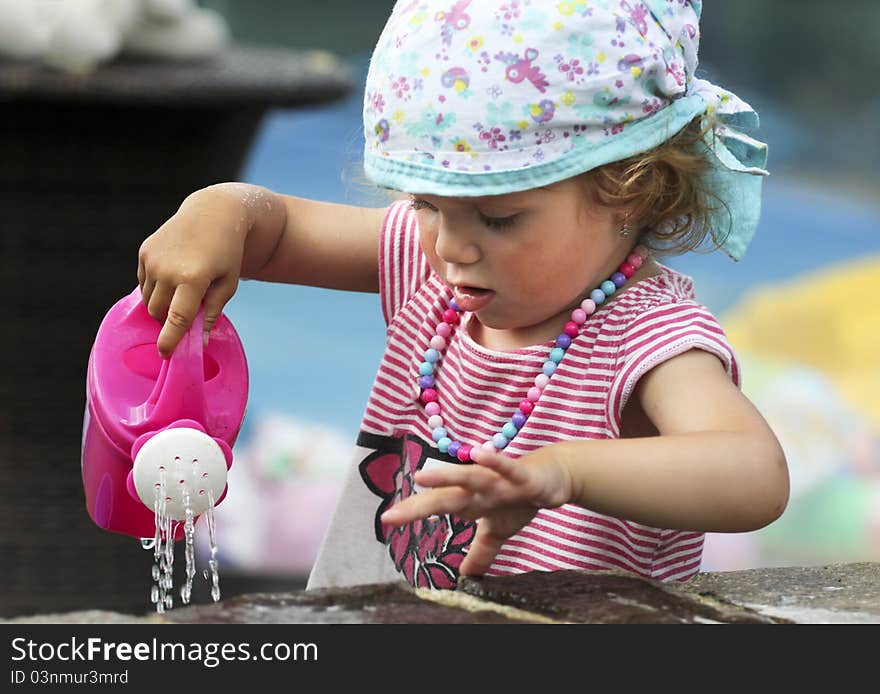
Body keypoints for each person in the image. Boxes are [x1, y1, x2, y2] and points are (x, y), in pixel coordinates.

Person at [136, 0, 789, 590]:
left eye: (499, 218)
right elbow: (271, 233)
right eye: (427, 204)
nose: (451, 246)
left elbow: (752, 473)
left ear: (633, 189)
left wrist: (566, 474)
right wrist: (217, 210)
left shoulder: (645, 333)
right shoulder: (434, 269)